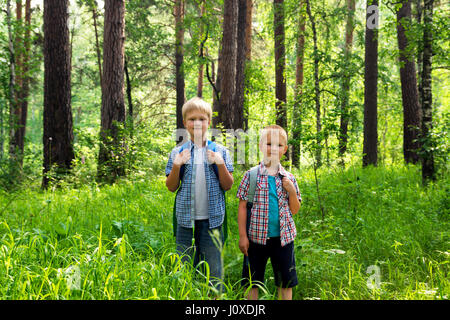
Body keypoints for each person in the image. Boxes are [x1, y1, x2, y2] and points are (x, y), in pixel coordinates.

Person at [165, 97, 234, 292]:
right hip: (185, 219)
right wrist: (177, 165)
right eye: (192, 119)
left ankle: (214, 298)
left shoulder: (220, 151)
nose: (197, 123)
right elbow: (171, 186)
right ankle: (186, 295)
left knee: (214, 268)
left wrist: (220, 163)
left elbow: (227, 185)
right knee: (184, 264)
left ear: (209, 122)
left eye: (202, 119)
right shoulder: (177, 152)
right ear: (185, 123)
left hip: (213, 219)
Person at [236, 125, 302, 300]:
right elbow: (242, 207)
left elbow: (294, 210)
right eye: (269, 144)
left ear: (285, 149)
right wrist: (243, 236)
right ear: (260, 145)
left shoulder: (289, 178)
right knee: (252, 280)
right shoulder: (251, 176)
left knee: (285, 282)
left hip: (283, 240)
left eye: (279, 145)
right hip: (255, 239)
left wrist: (292, 192)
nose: (273, 149)